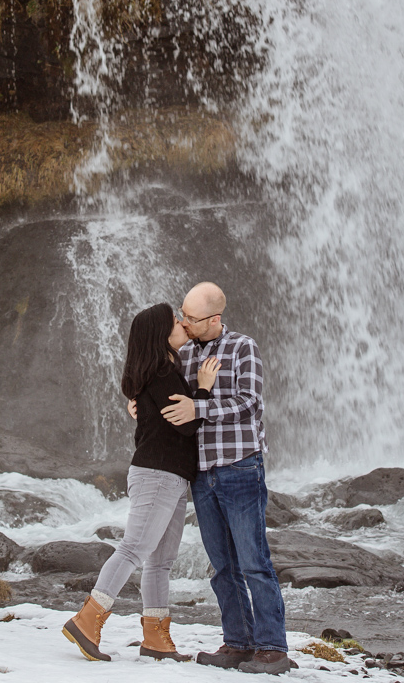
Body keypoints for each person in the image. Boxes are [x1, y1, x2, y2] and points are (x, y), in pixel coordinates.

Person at [62, 302, 220, 663]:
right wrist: (204, 388)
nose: (183, 324)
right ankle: (87, 620)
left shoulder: (160, 372)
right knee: (134, 549)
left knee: (161, 561)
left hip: (172, 477)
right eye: (176, 321)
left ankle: (156, 639)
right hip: (158, 475)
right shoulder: (162, 373)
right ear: (160, 333)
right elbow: (188, 424)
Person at [162, 281, 292, 675]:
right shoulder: (184, 353)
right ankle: (238, 642)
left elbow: (250, 402)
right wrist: (137, 400)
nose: (184, 322)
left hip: (239, 466)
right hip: (201, 472)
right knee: (222, 565)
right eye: (182, 314)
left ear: (214, 319)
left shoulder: (242, 347)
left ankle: (273, 648)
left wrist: (200, 407)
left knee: (253, 561)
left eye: (192, 317)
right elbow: (163, 392)